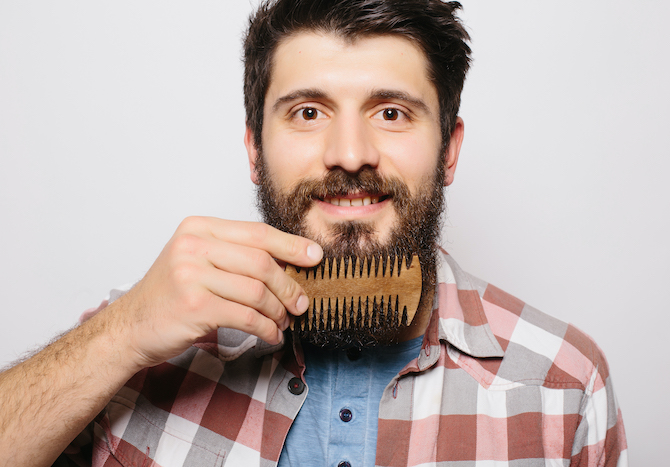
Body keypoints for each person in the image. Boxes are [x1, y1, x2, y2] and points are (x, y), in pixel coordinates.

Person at [0, 0, 627, 466]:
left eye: (390, 112)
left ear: (449, 151)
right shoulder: (131, 348)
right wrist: (124, 332)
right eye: (307, 112)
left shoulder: (562, 388)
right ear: (254, 149)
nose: (349, 153)